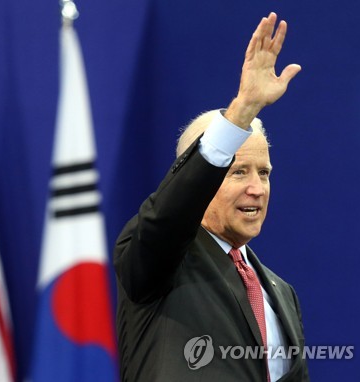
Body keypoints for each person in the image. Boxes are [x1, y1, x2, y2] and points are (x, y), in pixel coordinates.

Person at [113, 12, 309, 381]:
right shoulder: (157, 259)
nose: (257, 188)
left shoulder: (282, 294)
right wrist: (241, 113)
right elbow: (170, 214)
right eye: (238, 171)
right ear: (199, 180)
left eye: (263, 173)